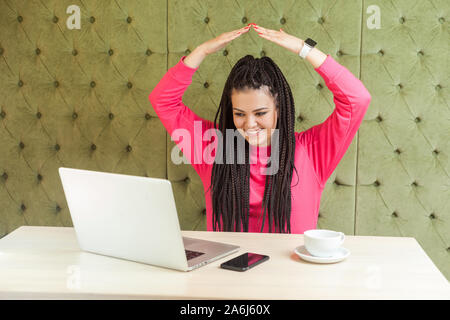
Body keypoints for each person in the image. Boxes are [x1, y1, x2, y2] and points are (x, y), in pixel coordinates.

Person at [149, 23, 371, 234]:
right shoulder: (213, 148)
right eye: (239, 114)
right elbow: (162, 101)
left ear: (279, 109)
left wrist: (304, 49)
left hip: (291, 273)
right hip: (228, 272)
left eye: (260, 113)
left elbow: (357, 99)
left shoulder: (312, 151)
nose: (250, 124)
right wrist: (202, 51)